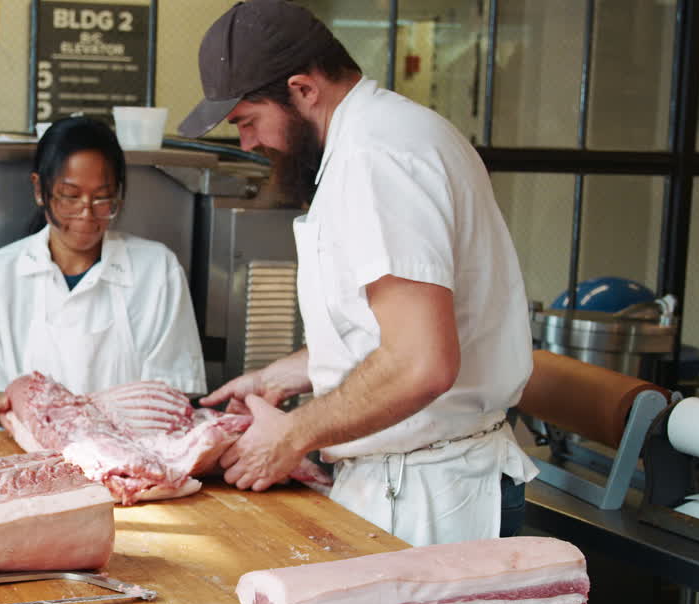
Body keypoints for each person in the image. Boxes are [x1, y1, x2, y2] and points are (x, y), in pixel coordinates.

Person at [179, 0, 536, 547]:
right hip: (411, 478)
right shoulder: (380, 135)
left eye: (248, 122)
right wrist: (289, 374)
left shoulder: (378, 157)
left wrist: (293, 435)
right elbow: (390, 330)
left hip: (430, 497)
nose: (248, 143)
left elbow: (421, 364)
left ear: (302, 89)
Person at [0, 116, 205, 425]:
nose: (87, 213)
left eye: (102, 198)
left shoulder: (157, 270)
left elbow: (173, 392)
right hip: (32, 452)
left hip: (131, 453)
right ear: (40, 190)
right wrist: (15, 407)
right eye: (70, 197)